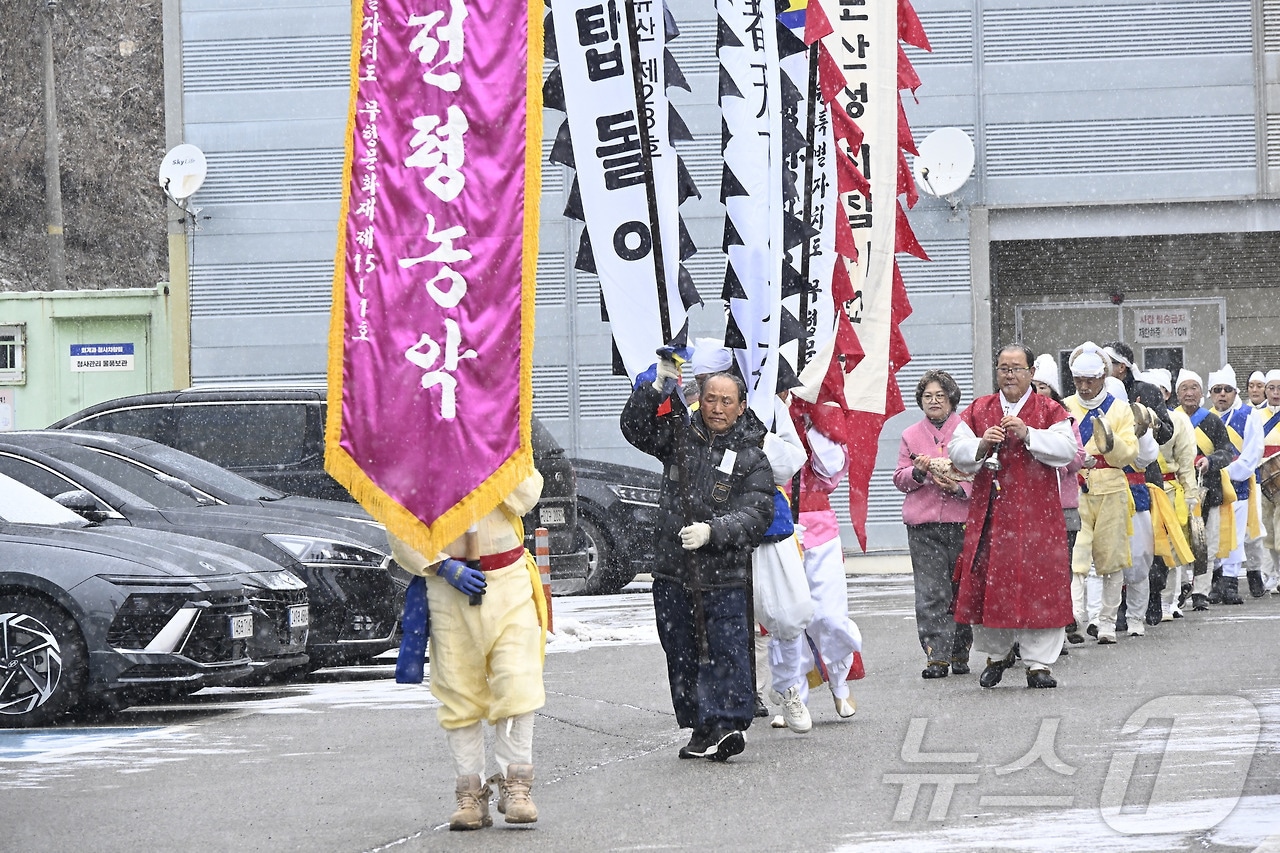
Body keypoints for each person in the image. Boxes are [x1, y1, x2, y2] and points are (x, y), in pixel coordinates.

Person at [621, 363, 774, 762]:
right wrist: (656, 388)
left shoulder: (752, 456)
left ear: (741, 407)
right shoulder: (678, 436)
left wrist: (714, 531)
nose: (717, 407)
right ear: (699, 400)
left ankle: (727, 723)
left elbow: (757, 513)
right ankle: (700, 724)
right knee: (682, 650)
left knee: (726, 649)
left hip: (723, 575)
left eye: (727, 401)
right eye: (710, 399)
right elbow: (636, 429)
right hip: (674, 569)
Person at [388, 472, 548, 831]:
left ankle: (516, 785)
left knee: (517, 683)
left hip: (508, 582)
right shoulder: (417, 457)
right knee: (458, 692)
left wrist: (490, 469)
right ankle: (470, 793)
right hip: (448, 589)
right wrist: (442, 564)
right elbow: (400, 527)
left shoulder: (502, 439)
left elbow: (527, 495)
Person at [948, 344, 1079, 689]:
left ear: (1032, 372)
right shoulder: (980, 409)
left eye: (1017, 368)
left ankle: (1039, 664)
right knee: (993, 582)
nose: (1009, 374)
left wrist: (1028, 433)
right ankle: (997, 654)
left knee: (1041, 584)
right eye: (1004, 368)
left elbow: (1068, 450)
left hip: (1039, 514)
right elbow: (956, 451)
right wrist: (981, 444)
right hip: (992, 513)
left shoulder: (1049, 409)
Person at [777, 397, 863, 716]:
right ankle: (795, 697)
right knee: (788, 619)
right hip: (778, 527)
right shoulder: (765, 408)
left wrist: (811, 421)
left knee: (829, 616)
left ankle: (840, 682)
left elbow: (831, 467)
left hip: (821, 528)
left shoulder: (820, 409)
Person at [893, 370, 973, 679]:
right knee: (930, 591)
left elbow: (980, 474)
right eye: (928, 397)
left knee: (961, 589)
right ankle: (936, 654)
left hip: (961, 523)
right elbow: (899, 478)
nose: (934, 401)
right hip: (923, 525)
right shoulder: (910, 435)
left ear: (952, 399)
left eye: (940, 396)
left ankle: (960, 649)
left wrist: (959, 489)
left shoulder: (967, 431)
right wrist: (918, 472)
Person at [1062, 343, 1139, 645]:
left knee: (1111, 559)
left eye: (1090, 380)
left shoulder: (1120, 409)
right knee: (1076, 558)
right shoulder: (1065, 406)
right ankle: (1075, 615)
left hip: (1112, 486)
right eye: (1079, 380)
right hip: (1074, 486)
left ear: (1103, 377)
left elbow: (1129, 452)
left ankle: (1106, 622)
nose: (1084, 386)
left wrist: (1109, 441)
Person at [1104, 342, 1175, 628]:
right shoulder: (1099, 393)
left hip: (1144, 476)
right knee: (1116, 546)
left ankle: (1153, 597)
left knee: (1149, 545)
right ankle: (1118, 608)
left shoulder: (1147, 391)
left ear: (1122, 366)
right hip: (1110, 476)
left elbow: (1166, 432)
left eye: (1108, 363)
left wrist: (1148, 422)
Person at [1173, 369, 1236, 610]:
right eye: (1184, 389)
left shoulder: (1212, 421)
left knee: (1206, 543)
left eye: (1194, 388)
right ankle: (1179, 590)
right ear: (1177, 393)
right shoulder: (1170, 418)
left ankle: (1201, 591)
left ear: (1202, 393)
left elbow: (1226, 452)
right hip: (1178, 490)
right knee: (1178, 543)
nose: (1189, 393)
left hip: (1209, 489)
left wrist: (1210, 461)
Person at [1205, 365, 1264, 605]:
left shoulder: (1248, 415)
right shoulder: (1205, 417)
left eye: (1227, 390)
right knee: (1214, 534)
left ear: (1235, 392)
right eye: (1217, 390)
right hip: (1210, 488)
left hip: (1237, 487)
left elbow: (1253, 453)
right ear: (1210, 393)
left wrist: (1226, 472)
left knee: (1236, 535)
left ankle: (1230, 582)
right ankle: (1215, 581)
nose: (1222, 394)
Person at [1148, 367, 1198, 620]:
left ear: (1167, 394)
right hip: (1140, 489)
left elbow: (1186, 461)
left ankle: (1170, 600)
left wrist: (1191, 494)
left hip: (1169, 490)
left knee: (1171, 548)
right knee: (1144, 548)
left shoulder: (1178, 421)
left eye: (1159, 391)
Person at [1257, 369, 1280, 595]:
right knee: (1269, 531)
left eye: (1279, 388)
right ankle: (1272, 574)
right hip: (1262, 478)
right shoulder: (1256, 416)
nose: (1275, 392)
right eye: (1271, 388)